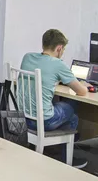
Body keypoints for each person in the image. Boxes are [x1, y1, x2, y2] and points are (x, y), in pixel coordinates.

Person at [20, 29, 88, 168]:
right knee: (72, 109)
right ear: (59, 48)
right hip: (44, 121)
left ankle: (55, 149)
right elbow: (81, 92)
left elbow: (45, 77)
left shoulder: (27, 57)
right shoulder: (58, 64)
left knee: (65, 110)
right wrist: (85, 85)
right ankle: (65, 158)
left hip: (23, 117)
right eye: (63, 50)